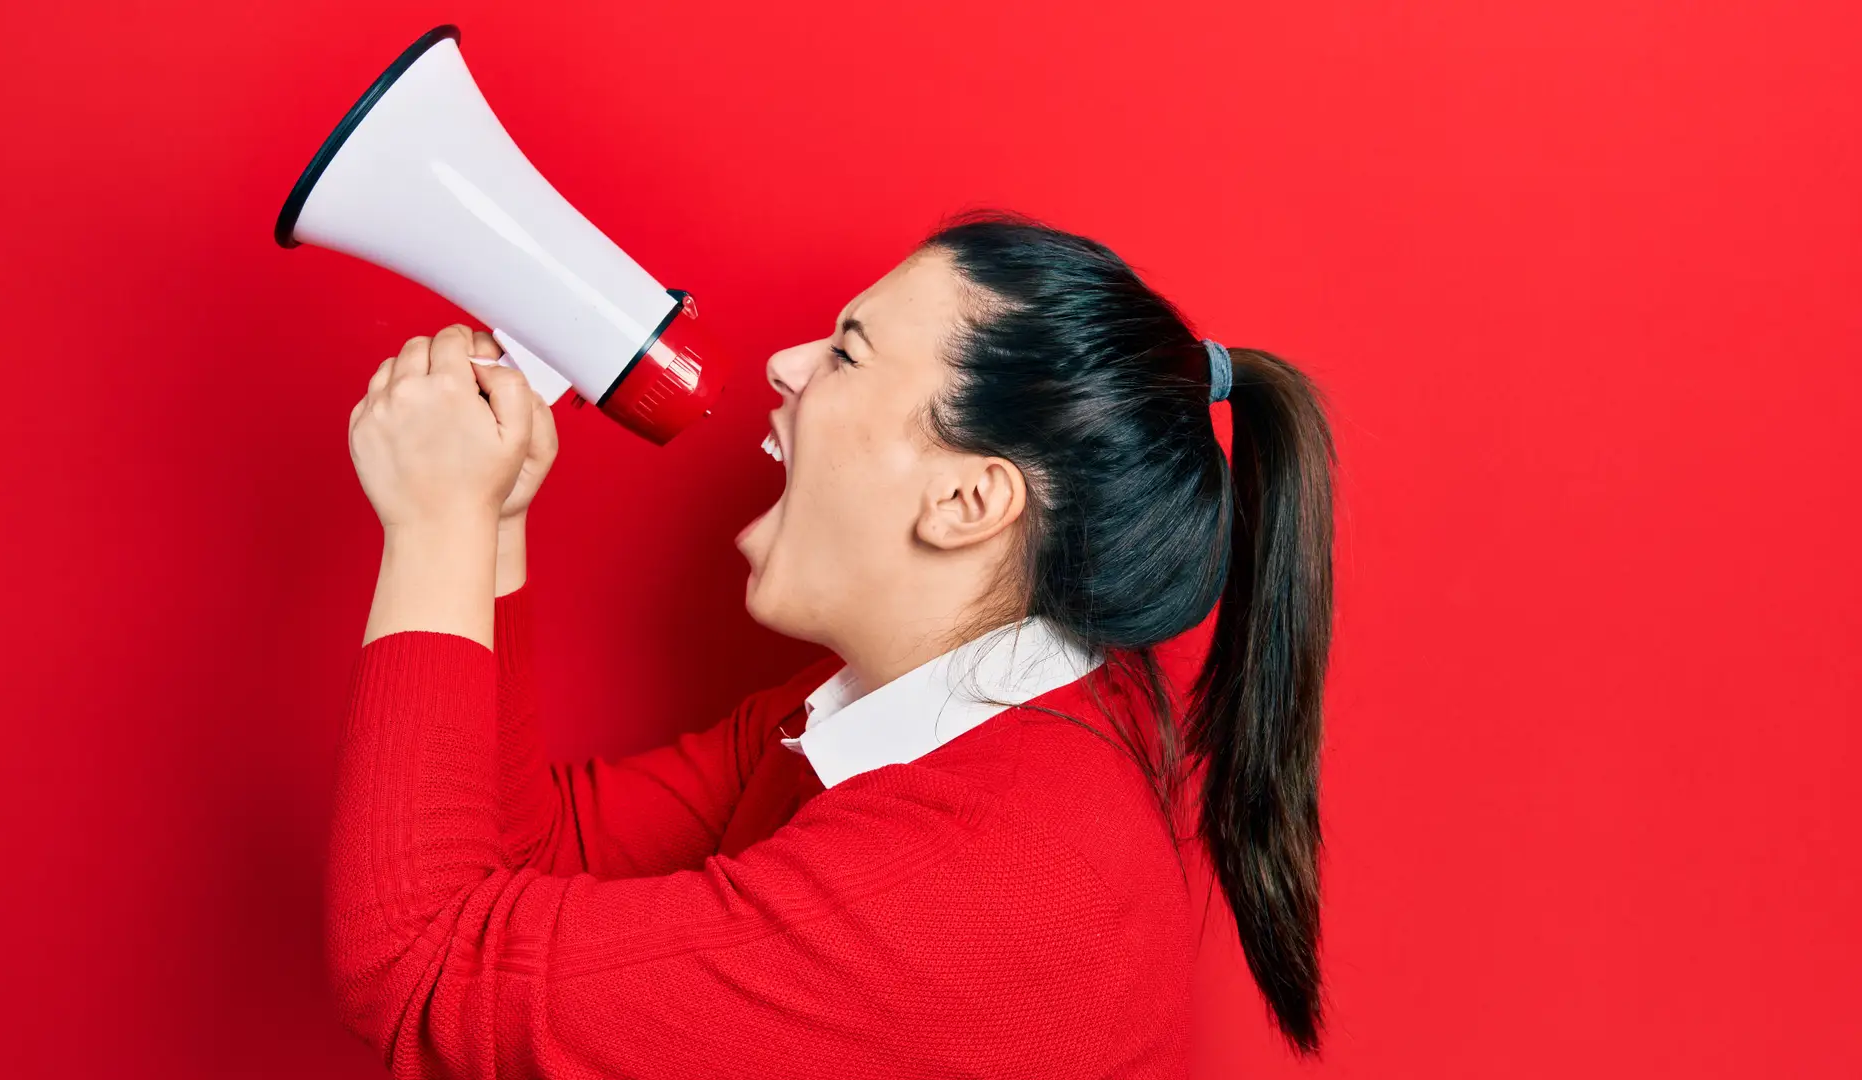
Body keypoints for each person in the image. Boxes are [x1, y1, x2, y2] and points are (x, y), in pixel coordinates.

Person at [331, 210, 1336, 1078]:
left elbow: (421, 972)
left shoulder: (977, 884)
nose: (785, 364)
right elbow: (527, 851)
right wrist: (490, 528)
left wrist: (434, 526)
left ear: (966, 499)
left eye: (847, 353)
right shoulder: (911, 719)